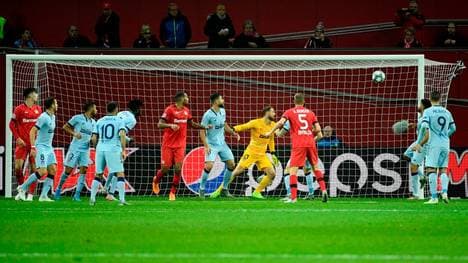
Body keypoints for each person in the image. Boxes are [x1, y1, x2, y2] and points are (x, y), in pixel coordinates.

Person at [263, 93, 327, 203]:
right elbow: (319, 131)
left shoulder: (290, 112)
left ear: (294, 101)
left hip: (299, 144)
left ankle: (293, 197)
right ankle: (324, 191)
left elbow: (281, 124)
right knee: (315, 168)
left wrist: (270, 131)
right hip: (311, 143)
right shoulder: (310, 113)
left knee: (292, 170)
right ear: (304, 101)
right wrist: (310, 137)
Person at [210, 106, 279, 199]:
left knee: (272, 173)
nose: (275, 114)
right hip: (251, 152)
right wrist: (232, 130)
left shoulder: (273, 125)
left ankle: (256, 192)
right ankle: (219, 191)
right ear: (267, 112)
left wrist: (273, 153)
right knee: (236, 172)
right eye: (273, 112)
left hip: (262, 154)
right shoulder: (256, 123)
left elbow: (271, 139)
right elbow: (243, 126)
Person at [152, 92, 209, 201]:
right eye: (186, 97)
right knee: (165, 169)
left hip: (180, 145)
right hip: (168, 144)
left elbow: (192, 124)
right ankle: (156, 180)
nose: (188, 98)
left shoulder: (187, 111)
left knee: (178, 169)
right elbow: (159, 124)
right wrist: (170, 125)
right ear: (181, 98)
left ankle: (172, 192)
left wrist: (204, 126)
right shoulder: (169, 110)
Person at [413, 91, 456, 204]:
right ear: (440, 98)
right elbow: (453, 128)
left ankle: (434, 197)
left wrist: (419, 143)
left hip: (433, 144)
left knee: (431, 170)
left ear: (430, 99)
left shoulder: (428, 111)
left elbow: (425, 128)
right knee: (443, 170)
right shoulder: (447, 112)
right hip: (445, 144)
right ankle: (445, 193)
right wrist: (445, 135)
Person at [16, 97, 58, 202]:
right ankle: (22, 187)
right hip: (41, 147)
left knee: (53, 169)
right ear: (52, 105)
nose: (57, 105)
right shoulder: (43, 117)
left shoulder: (53, 117)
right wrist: (33, 147)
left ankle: (43, 196)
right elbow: (32, 131)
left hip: (49, 147)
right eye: (56, 103)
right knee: (42, 171)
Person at [199, 93, 240, 197]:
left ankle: (224, 189)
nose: (223, 100)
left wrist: (232, 132)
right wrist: (206, 145)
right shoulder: (207, 115)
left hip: (222, 143)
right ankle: (202, 189)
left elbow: (224, 124)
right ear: (216, 101)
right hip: (211, 144)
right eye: (221, 99)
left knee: (231, 164)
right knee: (209, 166)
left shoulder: (223, 111)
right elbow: (202, 131)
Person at [54, 101, 97, 201]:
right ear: (90, 109)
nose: (96, 110)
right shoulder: (77, 118)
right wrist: (74, 133)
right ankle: (58, 189)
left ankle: (77, 195)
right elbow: (65, 127)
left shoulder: (94, 122)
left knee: (84, 170)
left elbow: (93, 136)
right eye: (95, 108)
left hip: (85, 149)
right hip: (75, 148)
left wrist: (92, 140)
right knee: (68, 170)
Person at [90, 102, 128, 206]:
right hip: (113, 148)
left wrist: (96, 147)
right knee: (120, 173)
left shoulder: (99, 121)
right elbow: (122, 134)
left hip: (100, 148)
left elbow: (93, 137)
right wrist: (123, 150)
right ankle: (122, 200)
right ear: (116, 110)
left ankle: (92, 199)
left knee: (98, 174)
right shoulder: (120, 120)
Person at [105, 99, 143, 201]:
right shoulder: (132, 120)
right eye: (140, 109)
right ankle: (110, 193)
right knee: (118, 169)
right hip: (116, 144)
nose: (141, 111)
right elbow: (120, 133)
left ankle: (106, 189)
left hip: (106, 141)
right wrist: (127, 141)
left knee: (113, 168)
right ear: (136, 109)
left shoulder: (121, 112)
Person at [10, 88, 42, 201]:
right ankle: (22, 189)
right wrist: (17, 138)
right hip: (22, 144)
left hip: (34, 144)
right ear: (29, 96)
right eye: (35, 94)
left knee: (34, 170)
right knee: (18, 168)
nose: (37, 95)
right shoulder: (19, 109)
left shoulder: (38, 109)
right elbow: (11, 124)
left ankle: (31, 194)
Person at [276, 121, 317, 200]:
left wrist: (276, 129)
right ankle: (311, 193)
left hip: (299, 149)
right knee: (307, 170)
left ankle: (290, 194)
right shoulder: (308, 118)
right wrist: (310, 142)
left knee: (288, 170)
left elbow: (280, 134)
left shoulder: (291, 119)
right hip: (309, 148)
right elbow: (319, 134)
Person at [403, 99, 432, 200]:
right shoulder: (421, 118)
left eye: (420, 104)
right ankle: (422, 176)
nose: (418, 106)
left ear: (423, 106)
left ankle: (416, 195)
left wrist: (419, 144)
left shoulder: (426, 117)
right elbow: (421, 127)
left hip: (423, 144)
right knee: (406, 156)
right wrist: (414, 125)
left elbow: (427, 134)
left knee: (413, 167)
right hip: (417, 142)